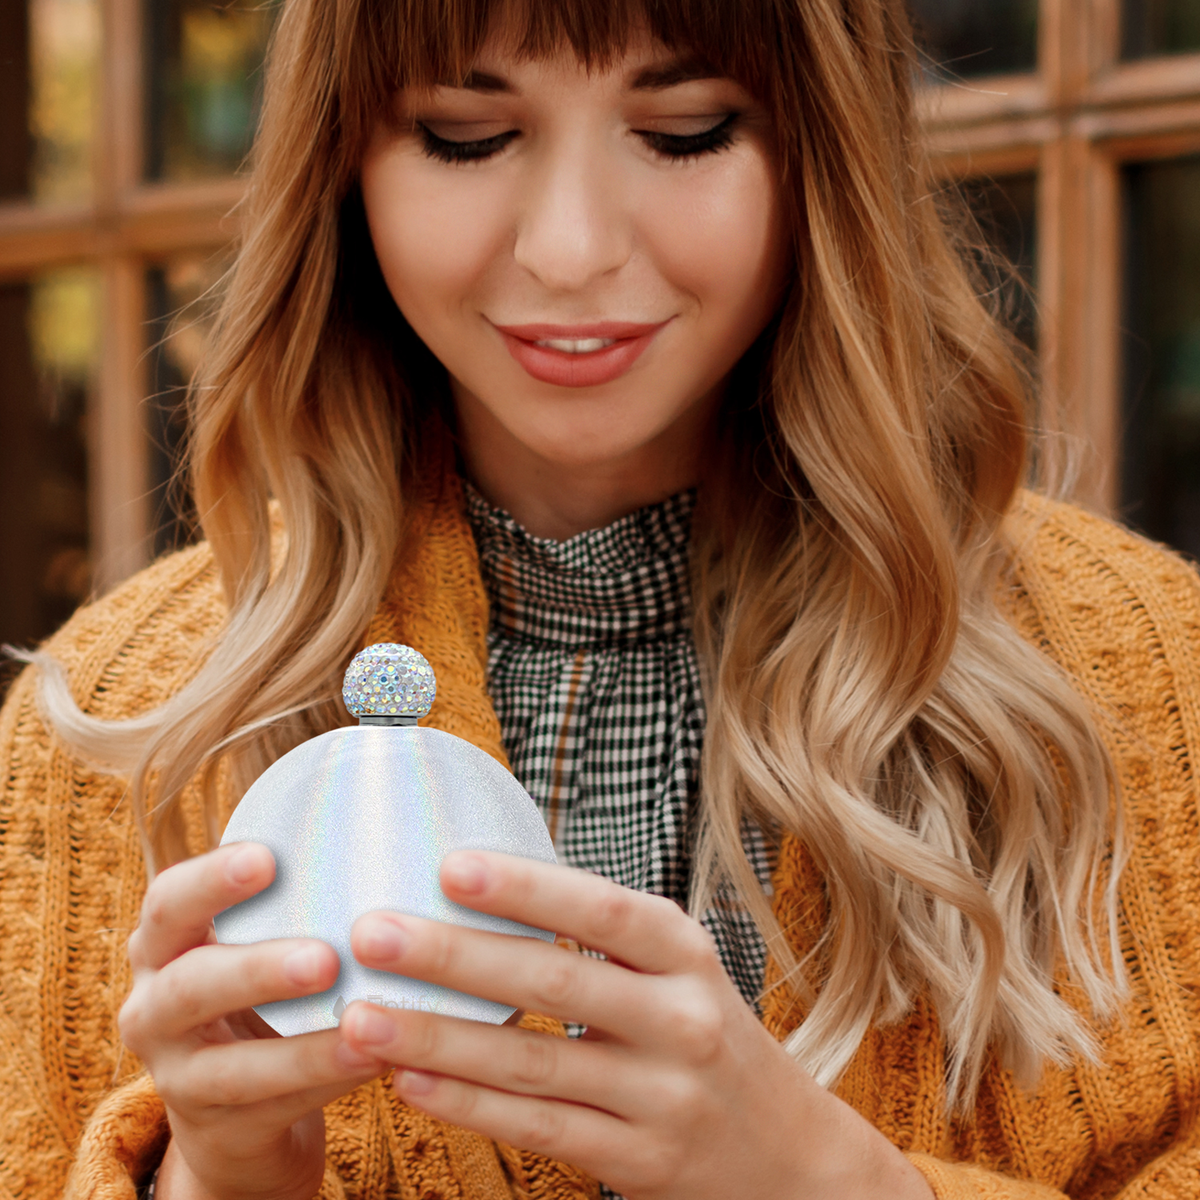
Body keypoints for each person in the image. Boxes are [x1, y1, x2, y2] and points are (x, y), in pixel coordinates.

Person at [3, 0, 1200, 1196]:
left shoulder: (1154, 675)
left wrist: (835, 1181)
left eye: (685, 131)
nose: (569, 251)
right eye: (465, 137)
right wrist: (214, 1180)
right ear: (341, 163)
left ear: (827, 150)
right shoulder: (117, 722)